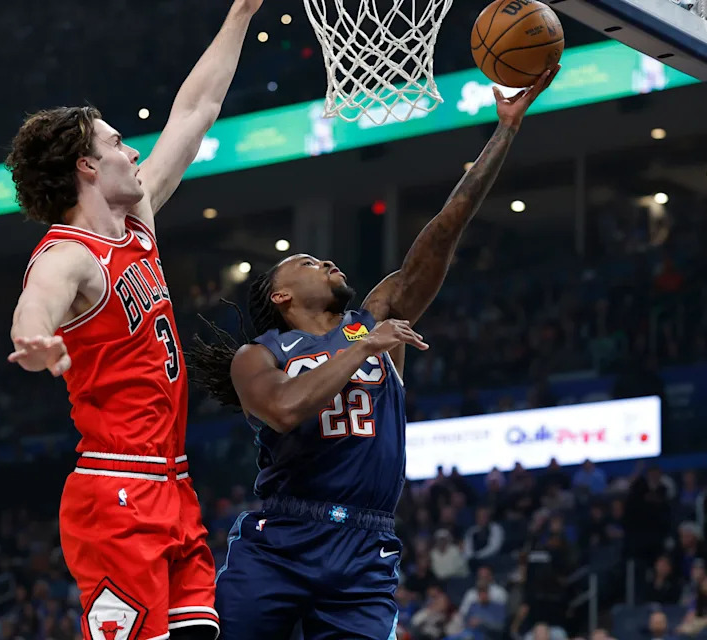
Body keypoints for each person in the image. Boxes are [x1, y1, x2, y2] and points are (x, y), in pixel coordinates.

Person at [187, 67, 559, 639]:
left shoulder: (375, 319)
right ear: (281, 295)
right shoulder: (258, 355)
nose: (330, 264)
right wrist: (363, 348)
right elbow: (285, 410)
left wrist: (504, 131)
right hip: (281, 538)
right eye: (309, 262)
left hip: (366, 545)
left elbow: (445, 230)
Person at [4, 1, 263, 638]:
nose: (133, 151)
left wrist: (242, 12)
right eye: (118, 142)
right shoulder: (70, 254)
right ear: (86, 167)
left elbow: (195, 112)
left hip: (173, 486)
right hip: (117, 493)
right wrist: (34, 338)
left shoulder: (138, 225)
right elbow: (36, 298)